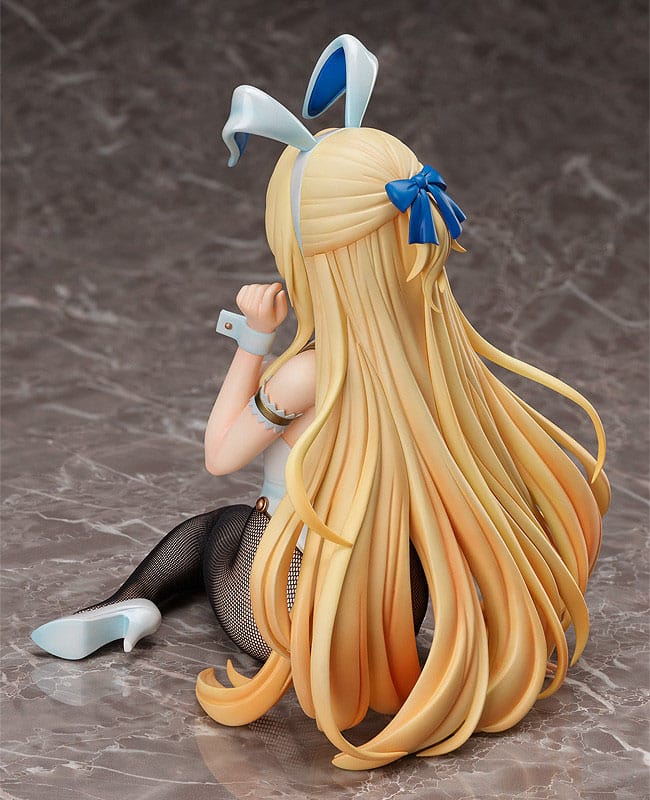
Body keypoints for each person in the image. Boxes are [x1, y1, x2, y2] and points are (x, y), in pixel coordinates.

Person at [32, 35, 610, 770]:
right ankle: (155, 606)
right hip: (391, 603)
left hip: (289, 616)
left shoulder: (309, 376)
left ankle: (126, 602)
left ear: (313, 258)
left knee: (218, 526)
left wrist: (253, 342)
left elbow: (220, 454)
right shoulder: (438, 362)